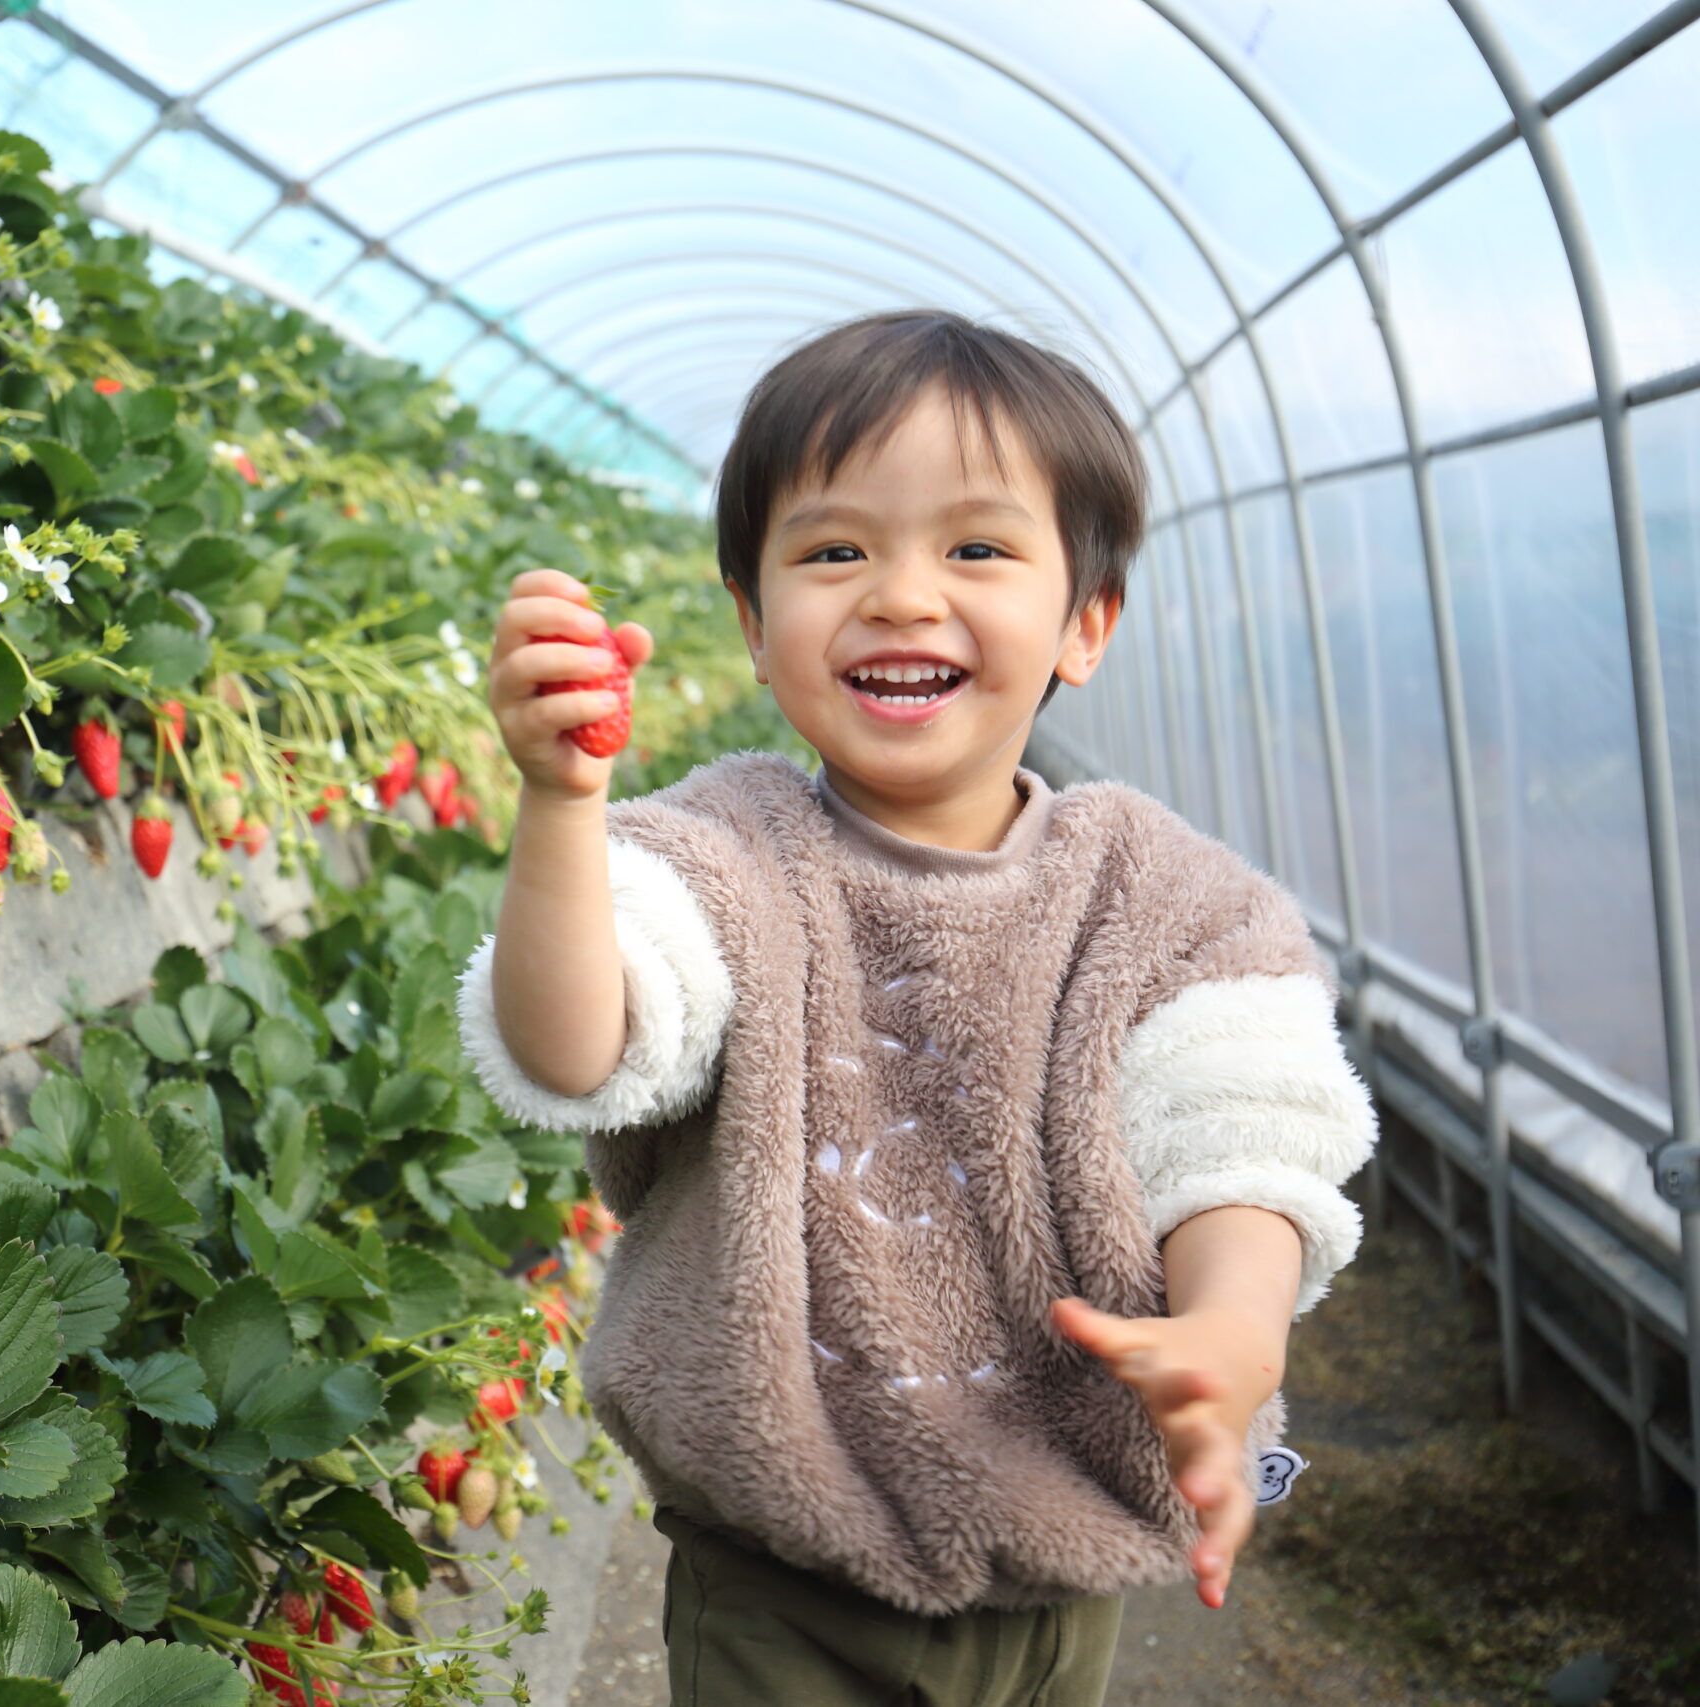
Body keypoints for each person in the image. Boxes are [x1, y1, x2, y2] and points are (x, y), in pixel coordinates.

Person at [456, 310, 1376, 1706]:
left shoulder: (1165, 901)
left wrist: (1232, 1328)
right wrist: (559, 809)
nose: (898, 594)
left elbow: (1239, 1129)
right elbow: (579, 1043)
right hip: (780, 1573)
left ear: (1085, 623)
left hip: (1056, 1552)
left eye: (976, 548)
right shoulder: (722, 856)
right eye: (835, 551)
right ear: (756, 628)